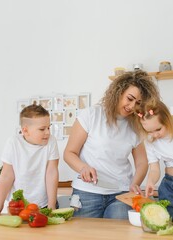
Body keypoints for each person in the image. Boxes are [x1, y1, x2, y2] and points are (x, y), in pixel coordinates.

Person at [63, 70, 160, 219]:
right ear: (118, 92)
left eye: (138, 103)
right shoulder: (91, 115)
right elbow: (69, 153)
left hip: (121, 194)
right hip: (87, 193)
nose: (132, 106)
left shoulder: (136, 126)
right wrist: (83, 168)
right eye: (130, 98)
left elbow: (142, 162)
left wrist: (135, 184)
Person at [0, 104, 60, 216]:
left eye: (49, 127)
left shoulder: (51, 142)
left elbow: (52, 173)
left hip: (44, 204)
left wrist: (51, 205)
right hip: (17, 206)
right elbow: (6, 175)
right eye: (42, 129)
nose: (47, 132)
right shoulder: (13, 143)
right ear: (25, 131)